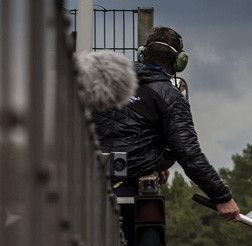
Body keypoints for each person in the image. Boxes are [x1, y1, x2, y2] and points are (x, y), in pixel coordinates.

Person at [94, 26, 238, 221]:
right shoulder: (170, 97)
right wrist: (222, 197)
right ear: (179, 62)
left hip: (86, 177)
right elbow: (188, 153)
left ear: (142, 53)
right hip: (127, 185)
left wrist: (158, 161)